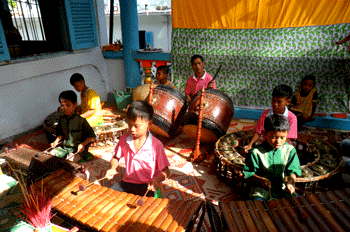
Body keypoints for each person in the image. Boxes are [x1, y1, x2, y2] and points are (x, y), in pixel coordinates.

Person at [105, 101, 170, 196]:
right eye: (130, 125)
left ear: (149, 124)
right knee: (109, 195)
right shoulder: (124, 139)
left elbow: (166, 170)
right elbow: (116, 157)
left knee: (146, 208)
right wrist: (112, 168)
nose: (132, 129)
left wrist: (157, 180)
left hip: (147, 186)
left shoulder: (156, 145)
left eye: (136, 126)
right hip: (127, 183)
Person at [242, 114, 301, 200]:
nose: (278, 141)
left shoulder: (290, 150)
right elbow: (249, 173)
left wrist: (290, 182)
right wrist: (261, 180)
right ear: (265, 134)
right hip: (261, 189)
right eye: (274, 137)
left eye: (282, 137)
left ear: (287, 134)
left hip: (282, 188)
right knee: (259, 206)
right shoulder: (256, 152)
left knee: (299, 203)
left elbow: (294, 170)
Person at [244, 84, 297, 152]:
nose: (275, 104)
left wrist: (276, 148)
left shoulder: (292, 118)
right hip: (267, 144)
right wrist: (250, 144)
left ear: (288, 102)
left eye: (279, 102)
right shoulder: (265, 114)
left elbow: (287, 139)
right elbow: (258, 131)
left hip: (283, 146)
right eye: (273, 100)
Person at [50, 90, 96, 162]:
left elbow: (92, 137)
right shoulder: (62, 119)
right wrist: (55, 142)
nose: (65, 108)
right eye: (62, 105)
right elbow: (60, 134)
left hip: (77, 150)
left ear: (75, 105)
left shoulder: (81, 120)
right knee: (50, 156)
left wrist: (82, 145)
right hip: (65, 148)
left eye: (68, 105)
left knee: (69, 162)